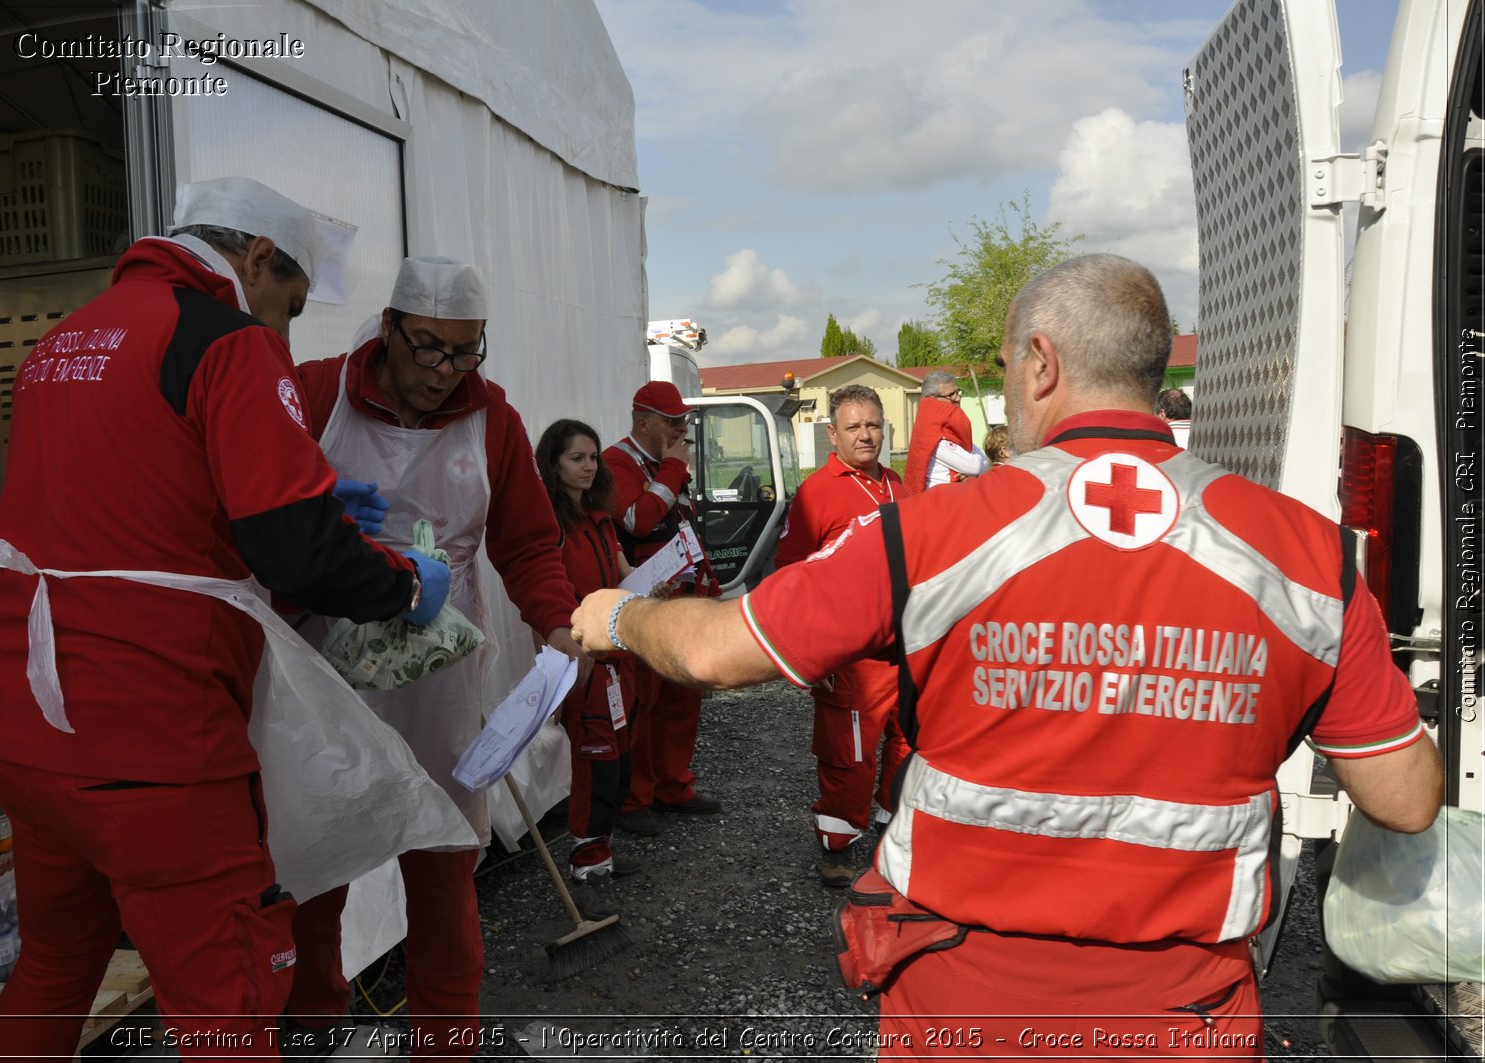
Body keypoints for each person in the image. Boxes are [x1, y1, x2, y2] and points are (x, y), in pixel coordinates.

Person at [569, 253, 1443, 1058]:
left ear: (1042, 364)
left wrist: (621, 616)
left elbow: (718, 650)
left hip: (964, 1007)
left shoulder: (926, 537)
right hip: (1183, 1020)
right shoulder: (1305, 555)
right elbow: (1406, 798)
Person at [0, 177, 440, 1059]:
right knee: (228, 1001)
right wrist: (405, 586)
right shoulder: (224, 339)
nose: (284, 332)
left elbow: (129, 497)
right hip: (154, 736)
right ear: (256, 260)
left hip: (24, 719)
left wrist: (305, 491)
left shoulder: (65, 339)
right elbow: (295, 551)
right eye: (290, 307)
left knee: (53, 966)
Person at [285, 256, 583, 1054]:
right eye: (429, 348)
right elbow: (261, 510)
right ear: (387, 330)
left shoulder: (495, 420)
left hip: (442, 668)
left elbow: (525, 542)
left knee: (446, 862)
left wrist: (557, 623)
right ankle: (312, 1021)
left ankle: (447, 1037)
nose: (447, 372)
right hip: (326, 663)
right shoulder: (316, 393)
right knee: (314, 859)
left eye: (466, 351)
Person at [773, 385, 908, 887]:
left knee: (906, 741)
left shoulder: (897, 484)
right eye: (853, 427)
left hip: (904, 650)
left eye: (873, 424)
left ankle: (893, 828)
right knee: (848, 754)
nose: (865, 435)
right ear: (833, 433)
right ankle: (837, 845)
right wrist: (813, 656)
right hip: (851, 657)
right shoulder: (818, 491)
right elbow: (789, 576)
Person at [604, 381, 722, 837]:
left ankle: (673, 787)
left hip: (683, 596)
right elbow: (637, 519)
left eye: (682, 421)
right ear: (643, 422)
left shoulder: (665, 461)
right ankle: (636, 800)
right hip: (646, 603)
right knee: (645, 702)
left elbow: (684, 524)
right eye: (672, 421)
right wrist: (674, 467)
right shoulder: (617, 461)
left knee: (683, 694)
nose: (680, 428)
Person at [536, 419, 640, 890]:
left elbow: (625, 575)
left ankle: (603, 849)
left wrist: (652, 586)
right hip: (582, 660)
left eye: (593, 457)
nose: (587, 466)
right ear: (553, 464)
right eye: (576, 458)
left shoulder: (601, 518)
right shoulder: (547, 526)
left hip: (618, 657)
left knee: (619, 764)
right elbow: (542, 595)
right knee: (596, 763)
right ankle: (587, 858)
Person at [903, 370, 988, 494]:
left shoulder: (946, 429)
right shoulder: (933, 434)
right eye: (951, 395)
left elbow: (984, 463)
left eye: (957, 392)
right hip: (938, 503)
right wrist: (974, 469)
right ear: (933, 399)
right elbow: (975, 466)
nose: (958, 398)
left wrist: (974, 469)